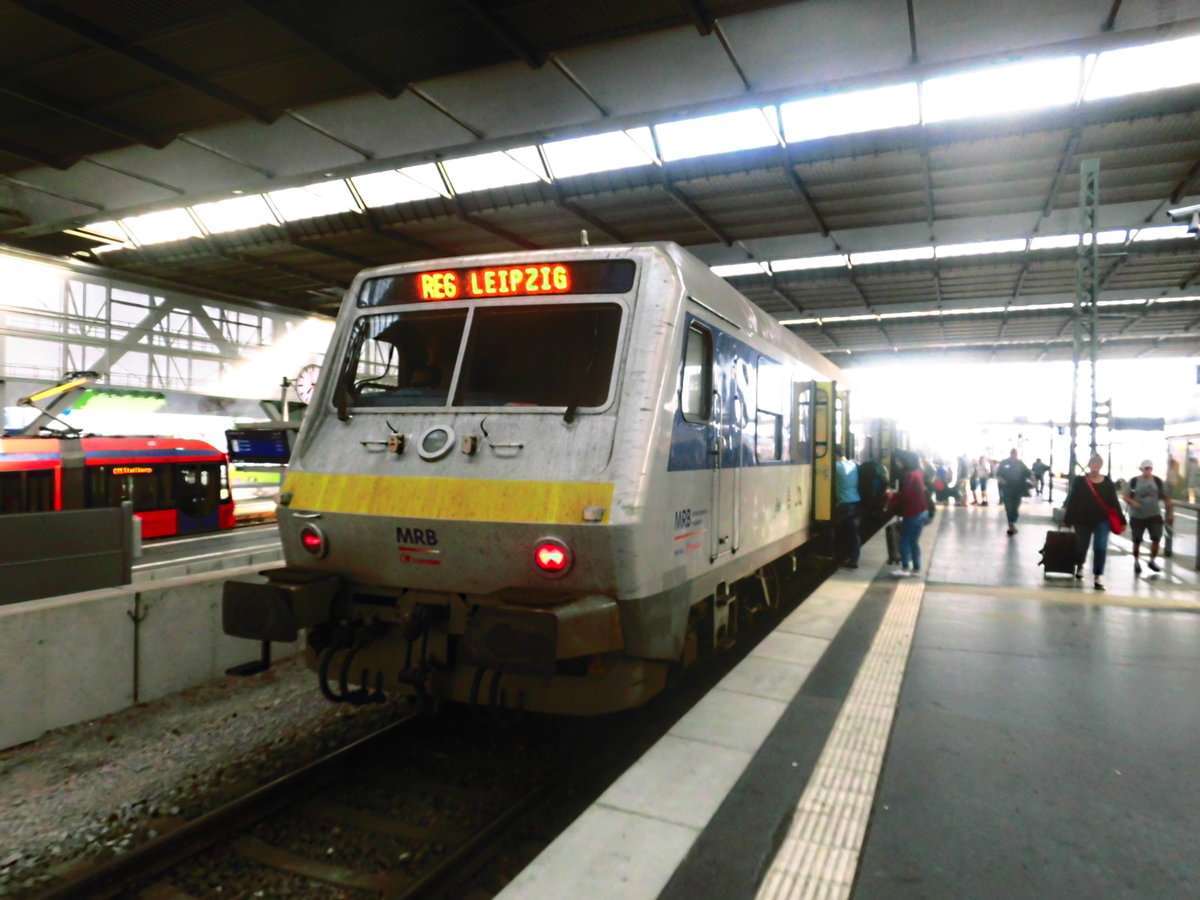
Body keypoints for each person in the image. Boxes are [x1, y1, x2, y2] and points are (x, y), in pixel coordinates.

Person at [1062, 453, 1126, 590]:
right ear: (1090, 465)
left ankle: (1098, 575)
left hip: (1102, 520)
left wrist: (1122, 519)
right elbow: (1073, 500)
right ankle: (1080, 565)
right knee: (1081, 545)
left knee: (1100, 547)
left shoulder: (1107, 482)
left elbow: (1113, 502)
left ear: (1101, 466)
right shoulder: (1081, 481)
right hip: (1082, 519)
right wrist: (1067, 519)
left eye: (1098, 464)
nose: (1095, 467)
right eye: (1093, 464)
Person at [1124, 459, 1174, 575]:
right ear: (1141, 469)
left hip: (1154, 515)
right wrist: (1133, 502)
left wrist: (1170, 513)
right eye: (1145, 468)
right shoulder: (1134, 482)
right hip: (1137, 516)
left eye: (1149, 468)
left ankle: (1152, 560)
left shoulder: (1157, 481)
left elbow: (1166, 497)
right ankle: (1136, 561)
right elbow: (1125, 496)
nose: (1148, 471)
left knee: (1156, 538)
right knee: (1137, 540)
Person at [887, 450, 930, 578]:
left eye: (898, 461)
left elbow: (906, 495)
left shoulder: (908, 475)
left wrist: (891, 496)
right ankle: (916, 569)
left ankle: (905, 568)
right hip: (923, 511)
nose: (896, 464)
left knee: (904, 541)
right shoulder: (917, 473)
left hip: (913, 513)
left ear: (904, 462)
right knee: (914, 541)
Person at [829, 443, 861, 569]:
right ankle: (854, 560)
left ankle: (829, 552)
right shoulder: (853, 464)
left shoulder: (836, 467)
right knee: (853, 533)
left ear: (834, 454)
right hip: (856, 502)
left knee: (829, 525)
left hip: (844, 504)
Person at [995, 448, 1033, 535]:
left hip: (1018, 490)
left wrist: (1033, 481)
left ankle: (1012, 522)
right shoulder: (1004, 462)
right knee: (1008, 507)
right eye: (1013, 453)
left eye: (1015, 453)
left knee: (1015, 507)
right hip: (1007, 489)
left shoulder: (1020, 463)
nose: (1014, 454)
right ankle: (1011, 525)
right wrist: (1002, 480)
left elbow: (1028, 473)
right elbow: (998, 475)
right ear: (1010, 453)